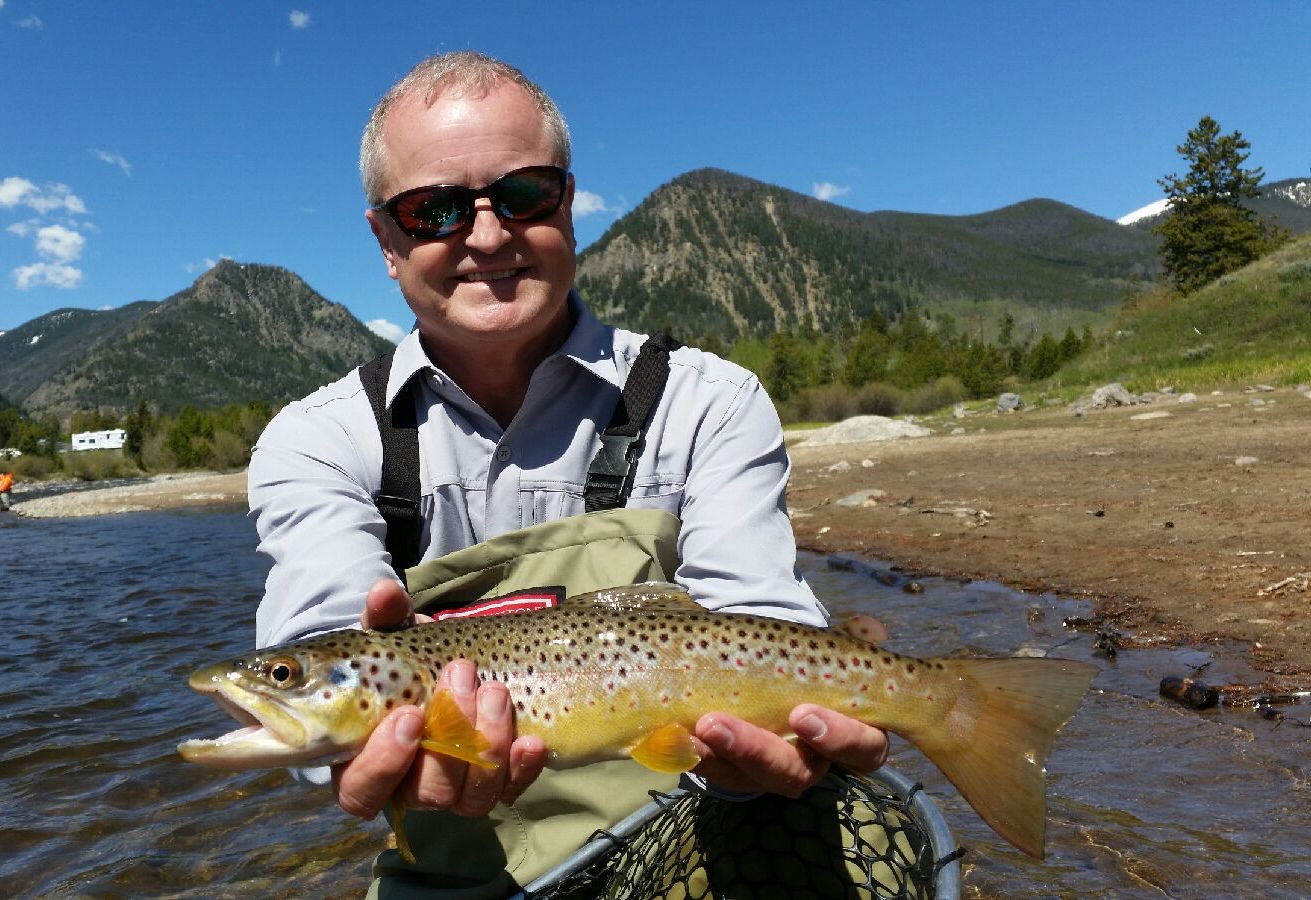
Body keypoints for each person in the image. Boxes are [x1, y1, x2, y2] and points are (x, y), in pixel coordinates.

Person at [247, 51, 889, 894]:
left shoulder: (709, 402)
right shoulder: (316, 439)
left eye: (522, 194)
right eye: (432, 209)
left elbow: (755, 612)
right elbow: (324, 653)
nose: (485, 235)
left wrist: (777, 742)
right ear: (386, 240)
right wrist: (359, 753)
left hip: (704, 834)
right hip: (458, 871)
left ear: (569, 204)